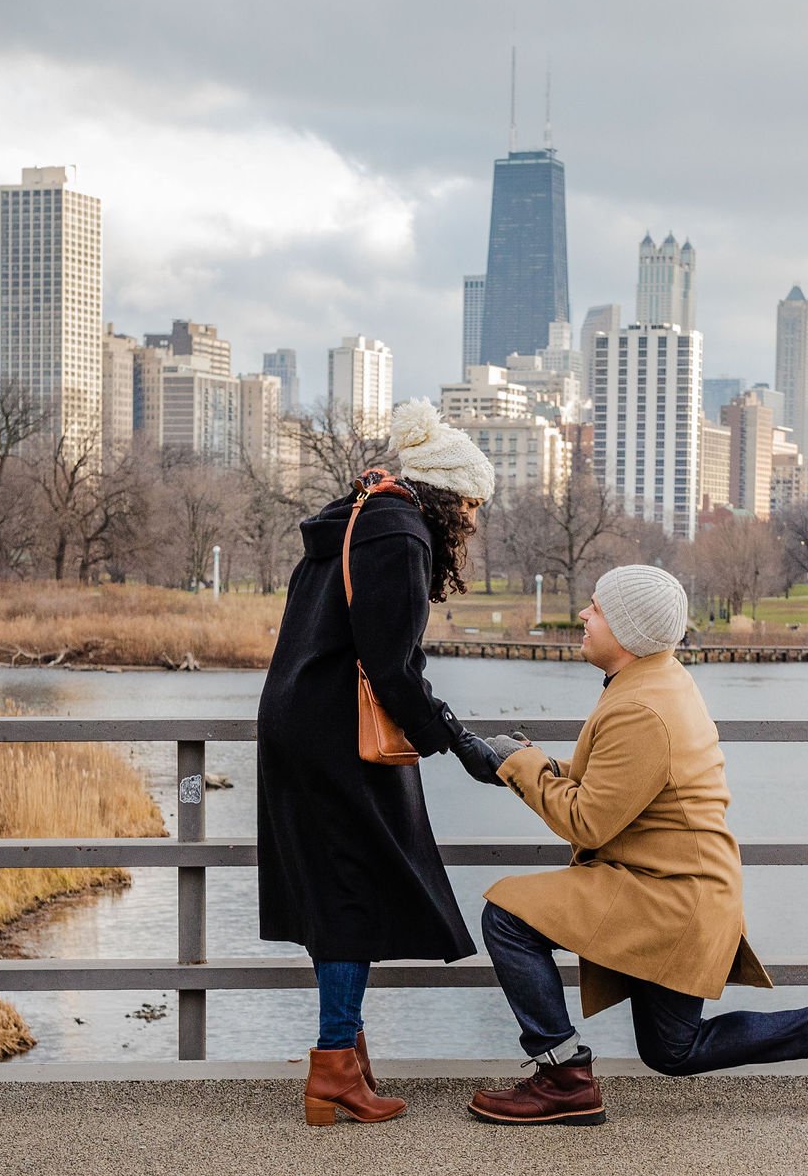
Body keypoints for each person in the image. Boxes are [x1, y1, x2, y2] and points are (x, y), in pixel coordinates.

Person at [467, 564, 808, 1126]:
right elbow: (619, 782)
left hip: (666, 896)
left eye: (595, 607)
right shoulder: (656, 681)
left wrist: (520, 766)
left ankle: (563, 1076)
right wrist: (534, 763)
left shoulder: (641, 707)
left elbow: (588, 821)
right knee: (673, 1050)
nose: (583, 615)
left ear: (625, 628)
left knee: (506, 913)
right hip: (678, 889)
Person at [257, 400, 513, 1127]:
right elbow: (392, 669)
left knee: (334, 883)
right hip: (337, 733)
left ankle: (349, 1053)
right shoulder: (401, 535)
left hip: (294, 719)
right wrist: (461, 743)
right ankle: (334, 1067)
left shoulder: (361, 512)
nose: (472, 518)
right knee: (349, 891)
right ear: (446, 495)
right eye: (471, 503)